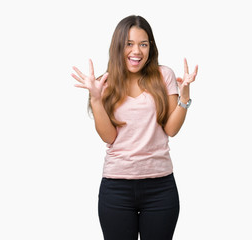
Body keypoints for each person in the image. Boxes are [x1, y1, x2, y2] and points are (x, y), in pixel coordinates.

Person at [71, 15, 198, 240]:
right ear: (118, 46)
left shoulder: (163, 75)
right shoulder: (106, 83)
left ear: (151, 47)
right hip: (116, 188)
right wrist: (96, 100)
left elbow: (171, 129)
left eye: (143, 44)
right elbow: (108, 136)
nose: (136, 51)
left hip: (160, 188)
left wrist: (184, 97)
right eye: (129, 44)